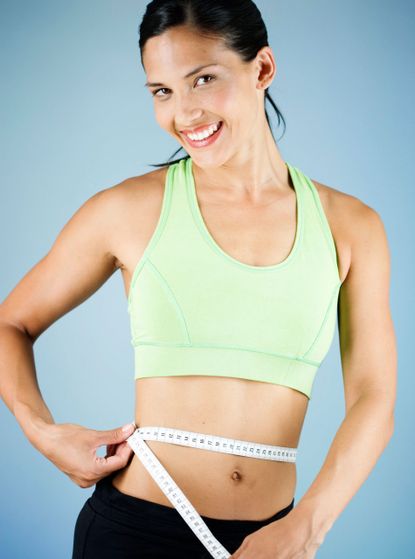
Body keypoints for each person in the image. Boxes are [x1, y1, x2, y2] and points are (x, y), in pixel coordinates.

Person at [0, 1, 397, 558]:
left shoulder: (352, 227)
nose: (183, 113)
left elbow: (374, 397)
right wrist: (44, 433)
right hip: (133, 533)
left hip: (273, 542)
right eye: (161, 91)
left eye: (203, 80)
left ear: (262, 69)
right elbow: (10, 323)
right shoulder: (126, 210)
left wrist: (307, 525)